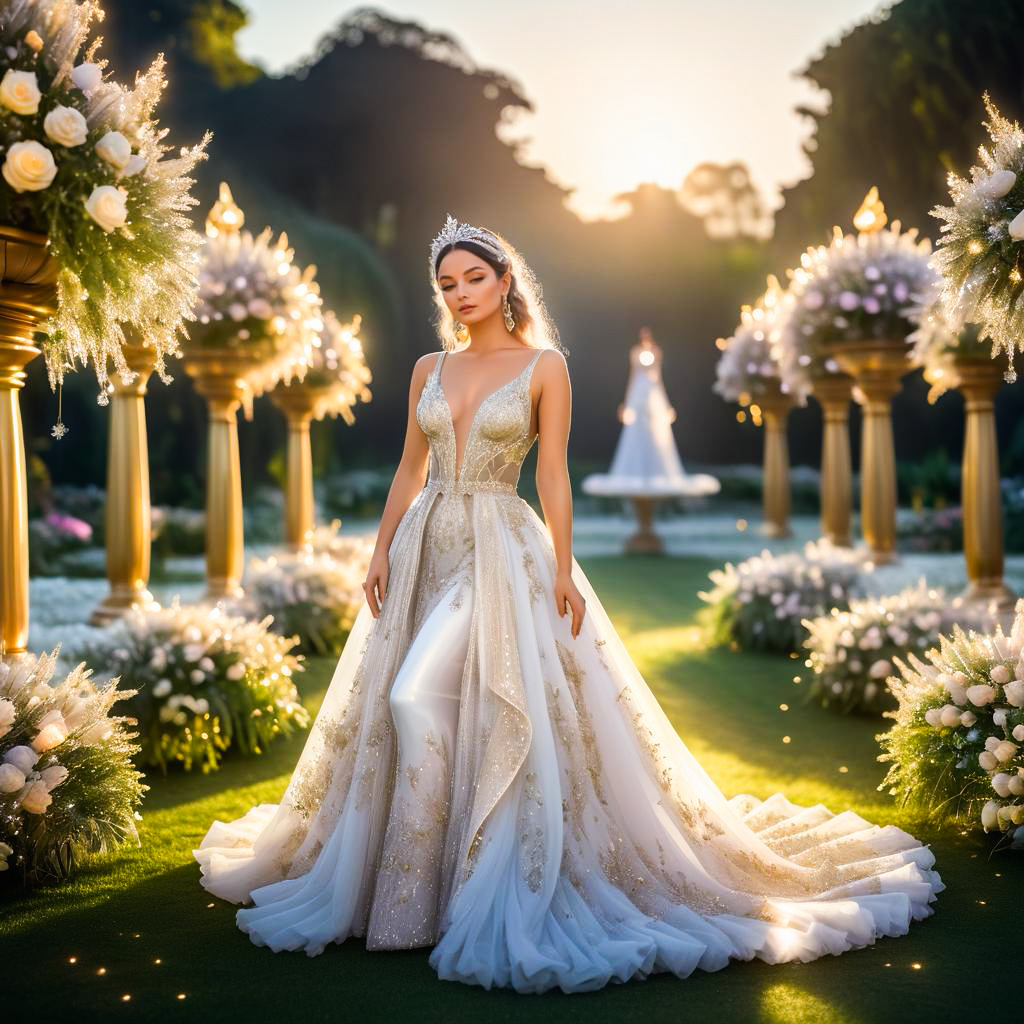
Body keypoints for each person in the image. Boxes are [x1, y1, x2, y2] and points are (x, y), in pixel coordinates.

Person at [193, 214, 942, 994]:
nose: (460, 294)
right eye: (446, 284)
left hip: (498, 545)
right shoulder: (427, 367)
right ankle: (409, 894)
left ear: (505, 279)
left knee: (423, 695)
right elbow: (408, 470)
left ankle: (440, 890)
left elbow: (552, 475)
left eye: (474, 278)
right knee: (420, 701)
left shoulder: (546, 365)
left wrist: (562, 565)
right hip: (426, 542)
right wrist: (380, 549)